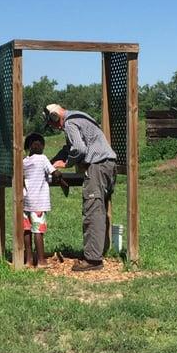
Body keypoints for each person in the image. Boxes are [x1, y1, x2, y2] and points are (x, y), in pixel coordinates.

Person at [43, 104, 117, 272]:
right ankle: (98, 252)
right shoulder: (78, 116)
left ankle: (93, 259)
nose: (55, 127)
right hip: (107, 165)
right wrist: (51, 162)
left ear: (55, 117)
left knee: (92, 210)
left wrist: (67, 163)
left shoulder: (69, 123)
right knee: (98, 209)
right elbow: (69, 148)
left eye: (52, 123)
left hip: (97, 166)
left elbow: (79, 149)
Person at [23, 132, 62, 268]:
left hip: (26, 202)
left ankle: (28, 260)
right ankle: (41, 261)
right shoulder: (43, 158)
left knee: (27, 231)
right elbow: (54, 173)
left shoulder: (24, 161)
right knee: (38, 231)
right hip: (38, 202)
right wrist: (59, 173)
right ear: (40, 146)